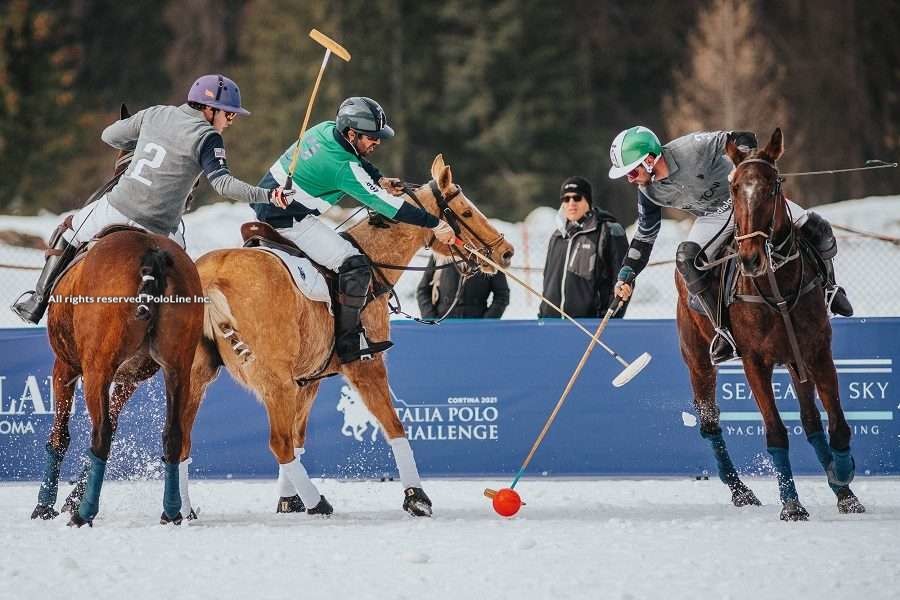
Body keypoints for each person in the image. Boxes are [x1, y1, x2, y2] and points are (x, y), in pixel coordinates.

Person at [11, 74, 291, 325]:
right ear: (208, 109)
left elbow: (109, 136)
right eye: (229, 115)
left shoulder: (155, 114)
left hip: (117, 209)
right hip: (161, 228)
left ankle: (37, 301)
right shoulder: (208, 138)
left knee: (68, 231)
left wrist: (141, 136)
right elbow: (223, 184)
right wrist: (267, 194)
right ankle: (187, 329)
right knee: (186, 278)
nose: (230, 121)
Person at [607, 126, 853, 364]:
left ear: (649, 159)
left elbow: (743, 137)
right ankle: (723, 331)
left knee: (817, 228)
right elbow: (645, 235)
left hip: (748, 202)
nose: (630, 179)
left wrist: (742, 166)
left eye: (631, 172)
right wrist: (627, 273)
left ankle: (831, 290)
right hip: (713, 216)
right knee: (686, 259)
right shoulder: (647, 191)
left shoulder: (691, 148)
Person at [254, 96, 456, 363]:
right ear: (352, 133)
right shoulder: (343, 168)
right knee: (355, 265)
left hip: (267, 200)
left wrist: (380, 179)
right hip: (287, 218)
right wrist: (435, 223)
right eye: (371, 137)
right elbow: (389, 207)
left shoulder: (326, 129)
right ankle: (347, 344)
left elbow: (358, 160)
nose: (377, 142)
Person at [538, 176, 629, 319]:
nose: (571, 203)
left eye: (577, 197)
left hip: (589, 324)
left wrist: (610, 319)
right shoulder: (558, 235)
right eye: (566, 199)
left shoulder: (608, 231)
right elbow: (548, 281)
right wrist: (543, 313)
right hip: (552, 322)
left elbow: (624, 281)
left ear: (588, 200)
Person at [416, 255, 510, 319]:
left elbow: (502, 295)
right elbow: (423, 290)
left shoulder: (489, 257)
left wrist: (486, 322)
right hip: (443, 326)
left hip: (477, 327)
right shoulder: (440, 254)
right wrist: (431, 319)